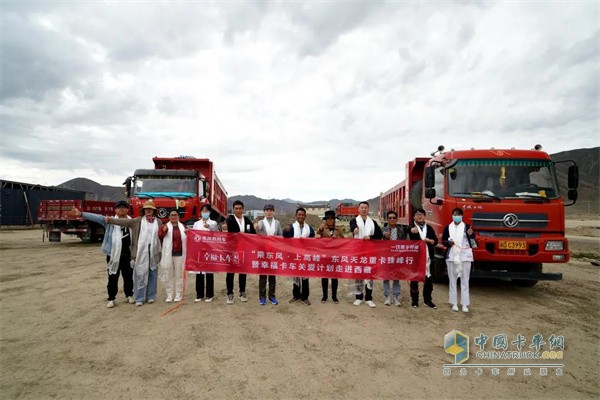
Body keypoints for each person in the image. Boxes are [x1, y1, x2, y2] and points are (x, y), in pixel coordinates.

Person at [71, 201, 133, 308]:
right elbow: (96, 217)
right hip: (113, 254)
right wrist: (81, 214)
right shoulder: (109, 221)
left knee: (128, 276)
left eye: (124, 207)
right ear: (115, 210)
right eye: (119, 207)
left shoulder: (132, 222)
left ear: (128, 209)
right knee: (113, 276)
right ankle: (111, 298)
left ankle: (129, 295)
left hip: (128, 254)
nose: (122, 209)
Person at [106, 200, 162, 307]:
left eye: (150, 209)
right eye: (146, 209)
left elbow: (162, 235)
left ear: (154, 211)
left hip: (153, 251)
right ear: (144, 210)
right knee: (140, 272)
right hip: (141, 251)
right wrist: (111, 220)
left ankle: (151, 295)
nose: (148, 211)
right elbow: (124, 222)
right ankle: (139, 297)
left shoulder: (158, 222)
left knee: (153, 273)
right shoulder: (137, 221)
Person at [442, 207, 475, 313]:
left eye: (458, 214)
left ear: (462, 216)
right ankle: (454, 303)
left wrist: (471, 234)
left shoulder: (467, 227)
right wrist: (448, 243)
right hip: (452, 256)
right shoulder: (448, 227)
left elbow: (473, 240)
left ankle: (465, 304)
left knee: (465, 280)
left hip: (465, 256)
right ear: (452, 216)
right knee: (453, 280)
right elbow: (443, 240)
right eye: (455, 214)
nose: (457, 216)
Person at [350, 201, 383, 308]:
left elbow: (379, 234)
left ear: (368, 210)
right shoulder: (354, 220)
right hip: (358, 252)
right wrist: (355, 230)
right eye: (362, 207)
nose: (364, 209)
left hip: (370, 252)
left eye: (366, 208)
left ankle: (369, 298)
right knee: (358, 274)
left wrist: (371, 237)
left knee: (370, 274)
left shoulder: (372, 222)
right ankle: (358, 297)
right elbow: (353, 227)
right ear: (358, 209)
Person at [225, 200, 256, 304]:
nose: (238, 210)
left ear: (243, 209)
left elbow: (253, 234)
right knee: (230, 272)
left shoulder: (247, 220)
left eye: (240, 208)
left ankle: (242, 291)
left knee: (243, 271)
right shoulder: (229, 220)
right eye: (236, 208)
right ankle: (230, 293)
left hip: (244, 250)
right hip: (232, 250)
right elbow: (230, 234)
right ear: (233, 210)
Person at [408, 208, 439, 309]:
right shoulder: (411, 226)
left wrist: (430, 241)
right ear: (414, 217)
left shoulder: (429, 228)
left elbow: (435, 240)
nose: (420, 216)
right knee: (414, 279)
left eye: (422, 214)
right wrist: (411, 231)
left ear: (425, 216)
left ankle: (427, 300)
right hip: (415, 258)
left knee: (428, 280)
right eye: (417, 214)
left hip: (428, 257)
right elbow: (407, 232)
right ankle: (415, 301)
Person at [283, 207, 315, 305]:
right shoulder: (291, 227)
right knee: (295, 276)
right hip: (294, 255)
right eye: (299, 214)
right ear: (296, 216)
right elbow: (285, 237)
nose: (301, 216)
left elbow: (313, 240)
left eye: (302, 215)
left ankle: (305, 297)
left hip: (305, 256)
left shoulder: (309, 228)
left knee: (305, 277)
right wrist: (286, 230)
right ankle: (296, 295)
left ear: (305, 216)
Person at [254, 203, 283, 305]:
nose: (269, 212)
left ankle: (272, 296)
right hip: (263, 252)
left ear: (273, 211)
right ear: (264, 211)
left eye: (271, 210)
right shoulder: (261, 222)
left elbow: (280, 235)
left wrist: (274, 240)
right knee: (262, 276)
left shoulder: (277, 223)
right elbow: (258, 230)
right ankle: (262, 297)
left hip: (273, 252)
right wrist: (256, 226)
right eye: (267, 210)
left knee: (272, 276)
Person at [192, 204, 219, 303]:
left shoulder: (213, 223)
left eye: (206, 211)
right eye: (203, 211)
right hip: (199, 251)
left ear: (210, 212)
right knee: (199, 272)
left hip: (209, 250)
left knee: (209, 272)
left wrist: (209, 227)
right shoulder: (196, 224)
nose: (205, 213)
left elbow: (215, 232)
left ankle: (209, 294)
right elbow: (193, 235)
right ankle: (199, 294)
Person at [158, 210, 186, 303]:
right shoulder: (164, 226)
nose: (174, 216)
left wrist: (187, 233)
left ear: (178, 216)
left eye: (175, 215)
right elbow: (160, 236)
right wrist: (163, 231)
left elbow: (187, 238)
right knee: (168, 274)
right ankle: (169, 294)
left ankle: (178, 294)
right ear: (169, 217)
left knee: (179, 275)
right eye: (172, 215)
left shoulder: (182, 227)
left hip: (180, 254)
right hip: (168, 254)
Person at [316, 210, 344, 303]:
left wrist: (338, 239)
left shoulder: (338, 229)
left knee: (334, 277)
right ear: (326, 220)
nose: (330, 220)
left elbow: (344, 241)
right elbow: (317, 237)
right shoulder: (322, 229)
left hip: (335, 256)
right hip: (325, 256)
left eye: (332, 218)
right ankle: (324, 296)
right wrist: (319, 230)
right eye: (328, 219)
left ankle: (334, 296)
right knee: (324, 276)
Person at [381, 210, 405, 307]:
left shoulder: (401, 231)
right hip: (387, 257)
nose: (392, 220)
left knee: (396, 278)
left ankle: (396, 297)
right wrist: (384, 237)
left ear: (397, 219)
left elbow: (404, 244)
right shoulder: (383, 230)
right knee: (386, 277)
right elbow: (379, 244)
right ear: (387, 219)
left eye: (393, 218)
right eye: (390, 218)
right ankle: (387, 297)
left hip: (397, 257)